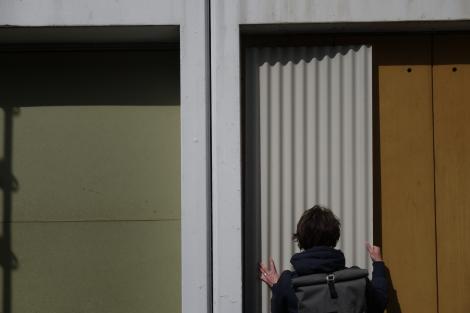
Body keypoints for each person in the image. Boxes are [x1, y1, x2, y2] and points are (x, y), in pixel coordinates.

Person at [259, 205, 388, 313]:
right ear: (334, 237)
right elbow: (380, 303)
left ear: (301, 239)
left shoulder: (288, 283)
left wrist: (278, 287)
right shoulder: (356, 278)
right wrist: (378, 263)